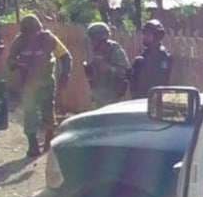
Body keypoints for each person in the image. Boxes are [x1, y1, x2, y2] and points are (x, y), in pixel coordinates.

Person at [7, 14, 73, 157]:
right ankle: (33, 145)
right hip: (28, 85)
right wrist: (19, 64)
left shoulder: (49, 39)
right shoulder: (19, 42)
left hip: (46, 83)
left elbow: (65, 57)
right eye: (28, 33)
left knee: (48, 113)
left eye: (34, 32)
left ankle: (49, 140)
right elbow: (10, 62)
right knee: (29, 113)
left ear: (39, 29)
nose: (31, 36)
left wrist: (65, 75)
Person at [82, 22, 130, 109]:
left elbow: (126, 72)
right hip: (98, 95)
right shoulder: (95, 51)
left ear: (101, 38)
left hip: (112, 95)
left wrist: (109, 68)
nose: (91, 42)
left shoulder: (114, 49)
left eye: (93, 39)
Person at [129, 19, 174, 99]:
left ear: (157, 36)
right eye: (145, 34)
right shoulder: (142, 57)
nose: (144, 37)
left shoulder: (164, 57)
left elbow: (164, 81)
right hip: (141, 99)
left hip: (157, 98)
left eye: (148, 34)